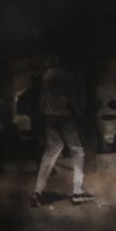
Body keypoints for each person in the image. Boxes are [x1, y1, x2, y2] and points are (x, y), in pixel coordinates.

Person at [31, 62, 93, 206]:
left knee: (49, 155)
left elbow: (42, 100)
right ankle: (77, 192)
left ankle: (37, 192)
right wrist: (79, 114)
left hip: (50, 118)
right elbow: (71, 100)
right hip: (65, 118)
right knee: (78, 153)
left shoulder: (47, 74)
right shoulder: (67, 76)